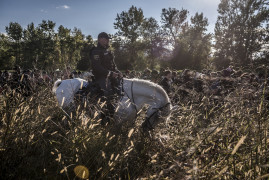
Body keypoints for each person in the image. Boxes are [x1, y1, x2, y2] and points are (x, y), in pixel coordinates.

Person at [90, 32, 122, 124]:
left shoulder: (109, 51)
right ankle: (105, 117)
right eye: (106, 39)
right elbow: (97, 67)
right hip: (101, 77)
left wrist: (118, 72)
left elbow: (113, 65)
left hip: (111, 76)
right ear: (100, 39)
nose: (108, 41)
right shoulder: (95, 51)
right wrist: (109, 73)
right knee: (107, 92)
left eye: (108, 39)